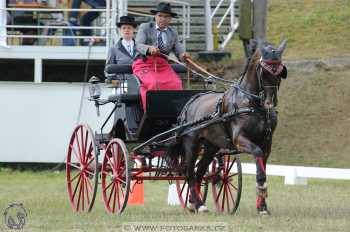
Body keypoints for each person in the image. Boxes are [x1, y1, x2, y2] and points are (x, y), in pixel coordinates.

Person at [133, 2, 191, 111]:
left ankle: (175, 113)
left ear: (170, 19)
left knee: (176, 83)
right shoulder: (145, 27)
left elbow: (179, 50)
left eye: (166, 17)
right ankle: (153, 113)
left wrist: (183, 55)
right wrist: (149, 49)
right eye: (160, 16)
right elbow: (138, 45)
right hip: (144, 63)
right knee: (154, 83)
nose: (163, 19)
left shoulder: (173, 32)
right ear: (155, 16)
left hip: (163, 65)